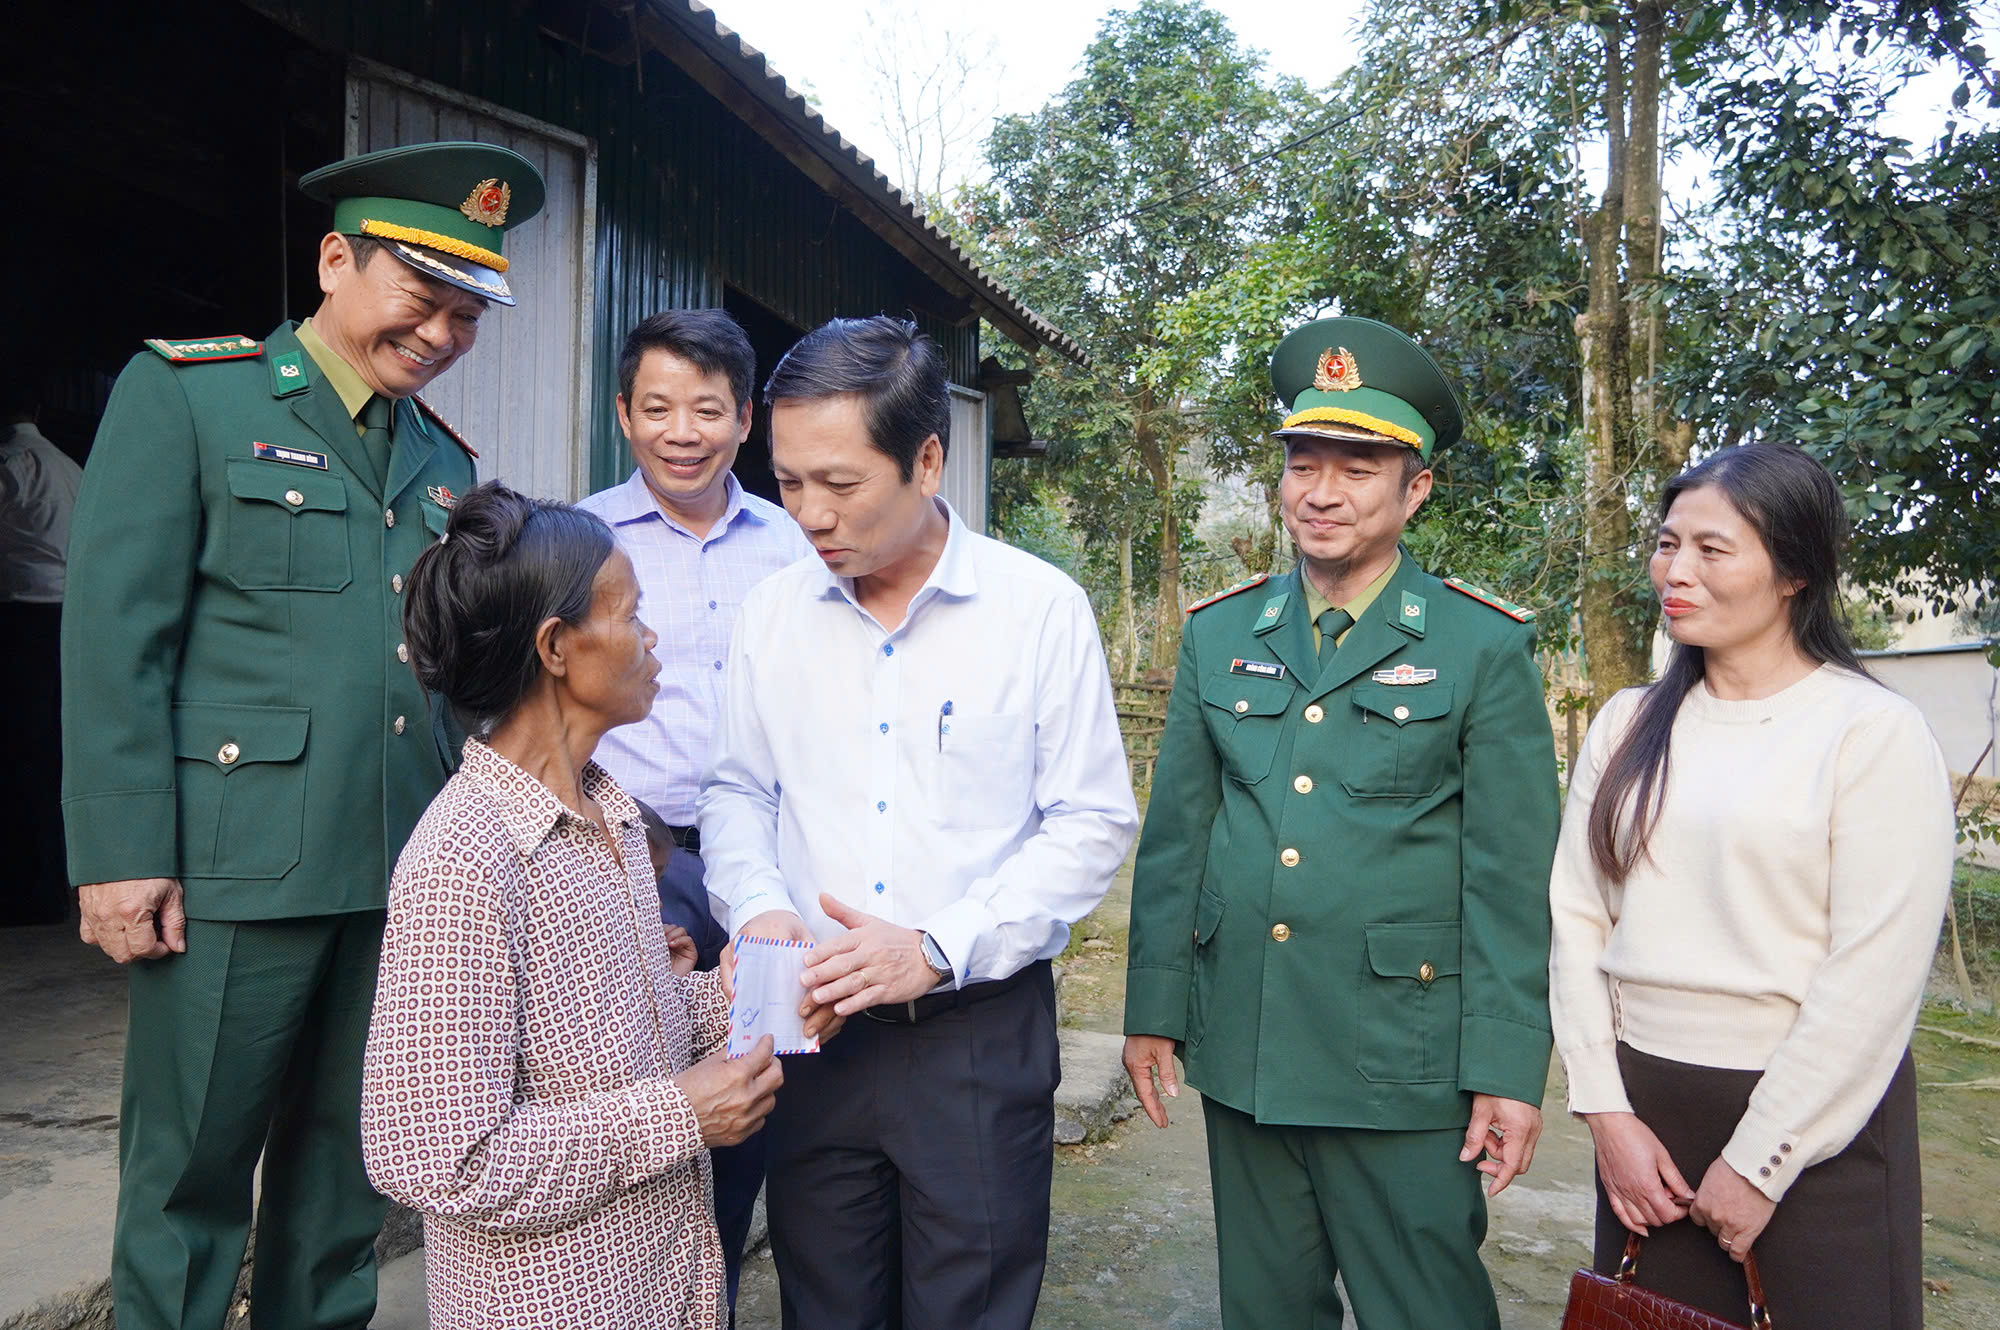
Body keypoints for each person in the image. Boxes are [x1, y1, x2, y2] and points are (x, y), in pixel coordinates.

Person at [59, 142, 544, 1330]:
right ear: (336, 258)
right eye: (421, 298)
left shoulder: (444, 463)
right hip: (233, 870)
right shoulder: (189, 394)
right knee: (189, 1180)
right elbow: (118, 639)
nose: (439, 334)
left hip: (394, 872)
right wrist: (118, 853)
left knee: (345, 1180)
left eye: (467, 315)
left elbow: (445, 680)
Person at [698, 315, 1139, 1329]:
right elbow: (734, 791)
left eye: (841, 484)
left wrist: (938, 946)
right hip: (813, 1033)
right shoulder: (773, 613)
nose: (810, 514)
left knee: (968, 1308)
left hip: (973, 1040)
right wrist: (759, 907)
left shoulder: (1036, 611)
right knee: (824, 1305)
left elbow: (1087, 820)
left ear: (927, 458)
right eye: (789, 481)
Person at [1122, 317, 1561, 1330]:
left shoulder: (1477, 645)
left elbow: (1505, 878)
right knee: (1267, 1312)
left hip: (1399, 1059)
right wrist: (1153, 1007)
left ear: (1414, 490)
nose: (1320, 491)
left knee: (1427, 1311)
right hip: (1249, 1042)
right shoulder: (1220, 633)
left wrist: (1504, 1070)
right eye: (1301, 462)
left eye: (1357, 468)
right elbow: (1178, 839)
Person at [363, 482, 793, 1329]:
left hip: (663, 1286)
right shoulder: (465, 859)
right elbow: (439, 1159)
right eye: (630, 613)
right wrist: (680, 1114)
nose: (651, 637)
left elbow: (616, 1046)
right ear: (557, 646)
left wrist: (741, 993)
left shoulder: (612, 814)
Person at [1549, 443, 1954, 1328]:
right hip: (1646, 1120)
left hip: (1814, 1125)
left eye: (1712, 549)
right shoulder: (1626, 723)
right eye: (1667, 543)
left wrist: (1761, 1159)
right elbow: (1577, 920)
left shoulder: (1869, 733)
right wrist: (1606, 1112)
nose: (1675, 571)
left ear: (1795, 573)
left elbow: (1873, 974)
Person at [578, 309, 811, 1319]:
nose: (684, 431)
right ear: (624, 414)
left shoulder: (797, 541)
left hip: (767, 859)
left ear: (744, 418)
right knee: (641, 1078)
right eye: (659, 407)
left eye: (707, 409)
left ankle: (705, 1291)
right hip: (640, 850)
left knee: (760, 1079)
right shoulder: (580, 538)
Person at [1, 385, 82, 925]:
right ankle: (57, 885)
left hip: (22, 620)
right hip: (67, 618)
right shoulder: (68, 466)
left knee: (20, 757)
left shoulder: (11, 465)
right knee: (56, 754)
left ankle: (27, 892)